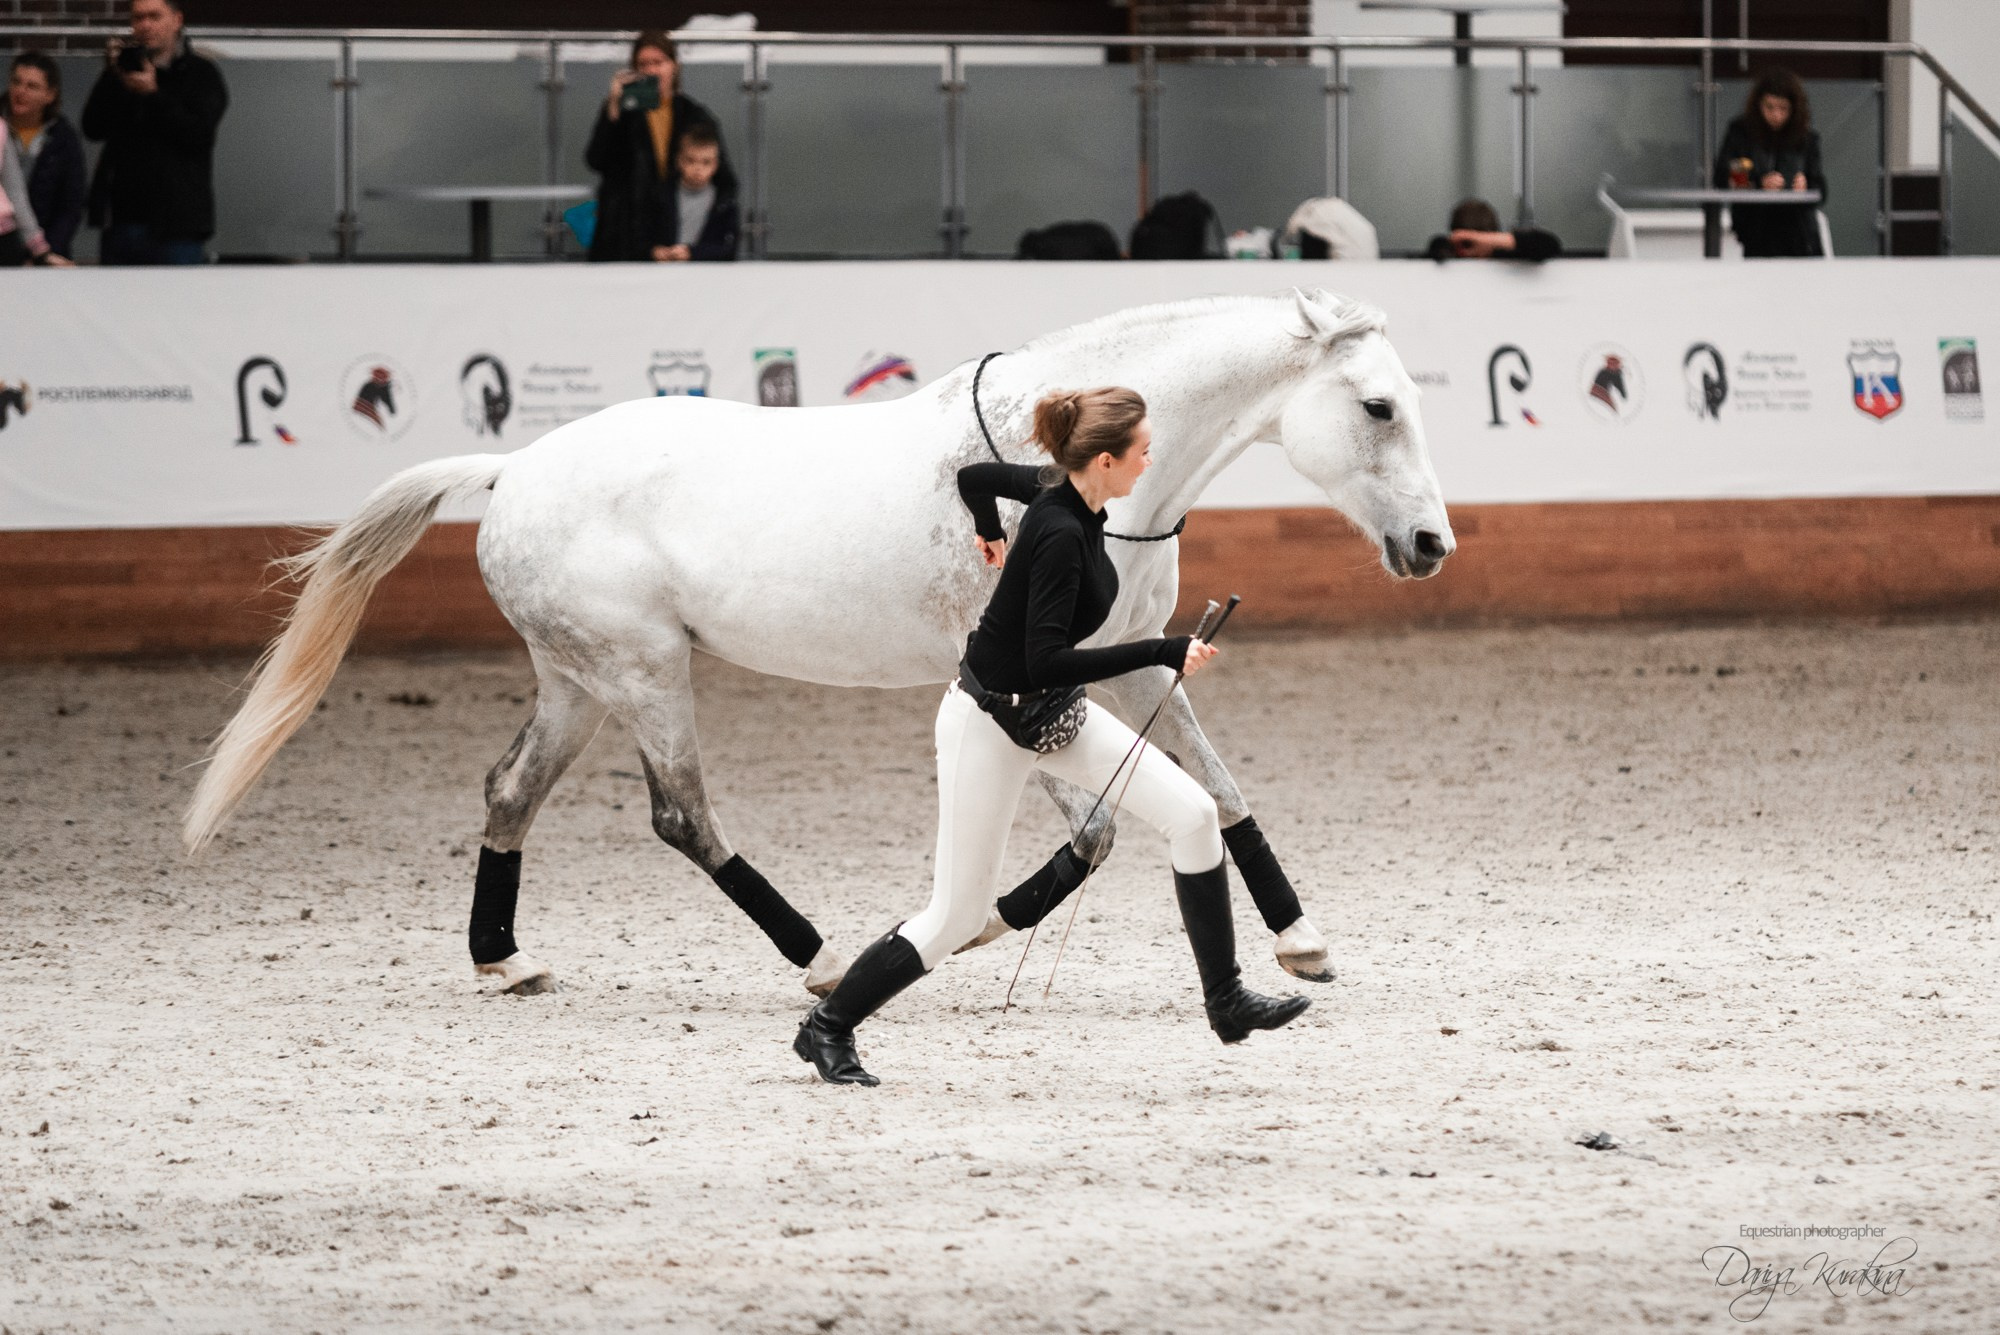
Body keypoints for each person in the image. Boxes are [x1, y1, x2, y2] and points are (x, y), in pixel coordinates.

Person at [791, 388, 1311, 1087]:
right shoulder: (1062, 531)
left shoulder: (1061, 490)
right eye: (1143, 451)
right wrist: (1161, 651)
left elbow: (975, 478)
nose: (1150, 460)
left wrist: (989, 529)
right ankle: (827, 1028)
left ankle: (1227, 1001)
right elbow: (1045, 661)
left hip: (1056, 715)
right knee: (955, 917)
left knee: (1193, 815)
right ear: (1105, 460)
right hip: (988, 725)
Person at [80, 0, 228, 266]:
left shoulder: (200, 74)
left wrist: (153, 95)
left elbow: (199, 135)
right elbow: (92, 127)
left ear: (177, 20)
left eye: (154, 17)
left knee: (178, 293)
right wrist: (113, 77)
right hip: (122, 218)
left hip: (177, 224)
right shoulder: (122, 72)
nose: (145, 25)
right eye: (138, 18)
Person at [584, 30, 738, 263]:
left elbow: (724, 180)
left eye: (658, 62)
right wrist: (613, 107)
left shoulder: (694, 115)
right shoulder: (623, 114)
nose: (651, 70)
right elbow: (596, 160)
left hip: (679, 233)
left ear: (674, 66)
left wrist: (706, 243)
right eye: (643, 64)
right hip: (626, 236)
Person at [1714, 68, 1825, 258]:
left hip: (1798, 233)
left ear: (1793, 109)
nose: (1776, 115)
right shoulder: (1742, 134)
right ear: (1759, 104)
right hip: (1756, 230)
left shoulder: (1806, 139)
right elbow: (1724, 175)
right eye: (1770, 107)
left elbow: (1820, 188)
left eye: (1783, 108)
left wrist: (1805, 186)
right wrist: (1758, 184)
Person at [8, 53, 87, 260]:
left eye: (32, 86)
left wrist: (47, 252)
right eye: (16, 82)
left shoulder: (63, 138)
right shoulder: (2, 130)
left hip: (45, 244)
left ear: (49, 95)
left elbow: (70, 204)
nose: (21, 91)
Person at [652, 120, 738, 262]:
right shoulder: (661, 195)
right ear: (679, 161)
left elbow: (729, 248)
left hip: (706, 272)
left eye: (706, 162)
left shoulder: (724, 201)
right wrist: (654, 250)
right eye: (690, 160)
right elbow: (642, 235)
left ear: (715, 164)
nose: (698, 168)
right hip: (663, 269)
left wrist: (693, 253)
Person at [1425, 198, 1562, 262]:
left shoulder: (1504, 258)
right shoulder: (1448, 255)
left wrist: (1486, 242)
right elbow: (1436, 247)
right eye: (1466, 244)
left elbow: (1549, 244)